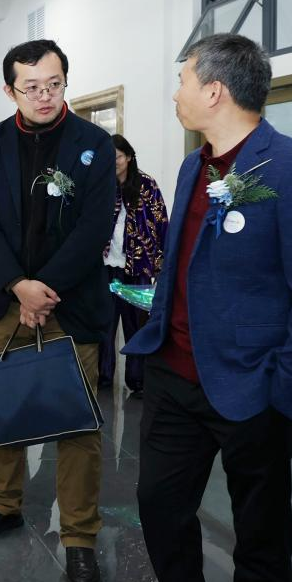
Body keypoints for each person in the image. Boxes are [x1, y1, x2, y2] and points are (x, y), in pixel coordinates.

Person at [122, 33, 292, 582]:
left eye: (183, 81)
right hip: (173, 375)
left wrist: (287, 395)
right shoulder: (191, 167)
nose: (176, 93)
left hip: (254, 385)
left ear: (214, 91)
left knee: (260, 535)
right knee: (159, 506)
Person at [0, 39, 115, 582]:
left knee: (77, 425)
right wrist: (18, 286)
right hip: (5, 301)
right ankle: (4, 504)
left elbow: (95, 227)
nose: (45, 95)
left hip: (70, 304)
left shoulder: (94, 143)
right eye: (31, 87)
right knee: (3, 410)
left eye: (54, 84)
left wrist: (44, 290)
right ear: (11, 91)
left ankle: (79, 536)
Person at [99, 134, 168, 397]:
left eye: (117, 156)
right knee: (104, 325)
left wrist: (161, 263)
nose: (113, 161)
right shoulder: (101, 184)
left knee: (136, 326)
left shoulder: (146, 185)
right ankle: (103, 376)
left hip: (138, 267)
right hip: (106, 266)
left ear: (128, 157)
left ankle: (138, 380)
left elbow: (161, 222)